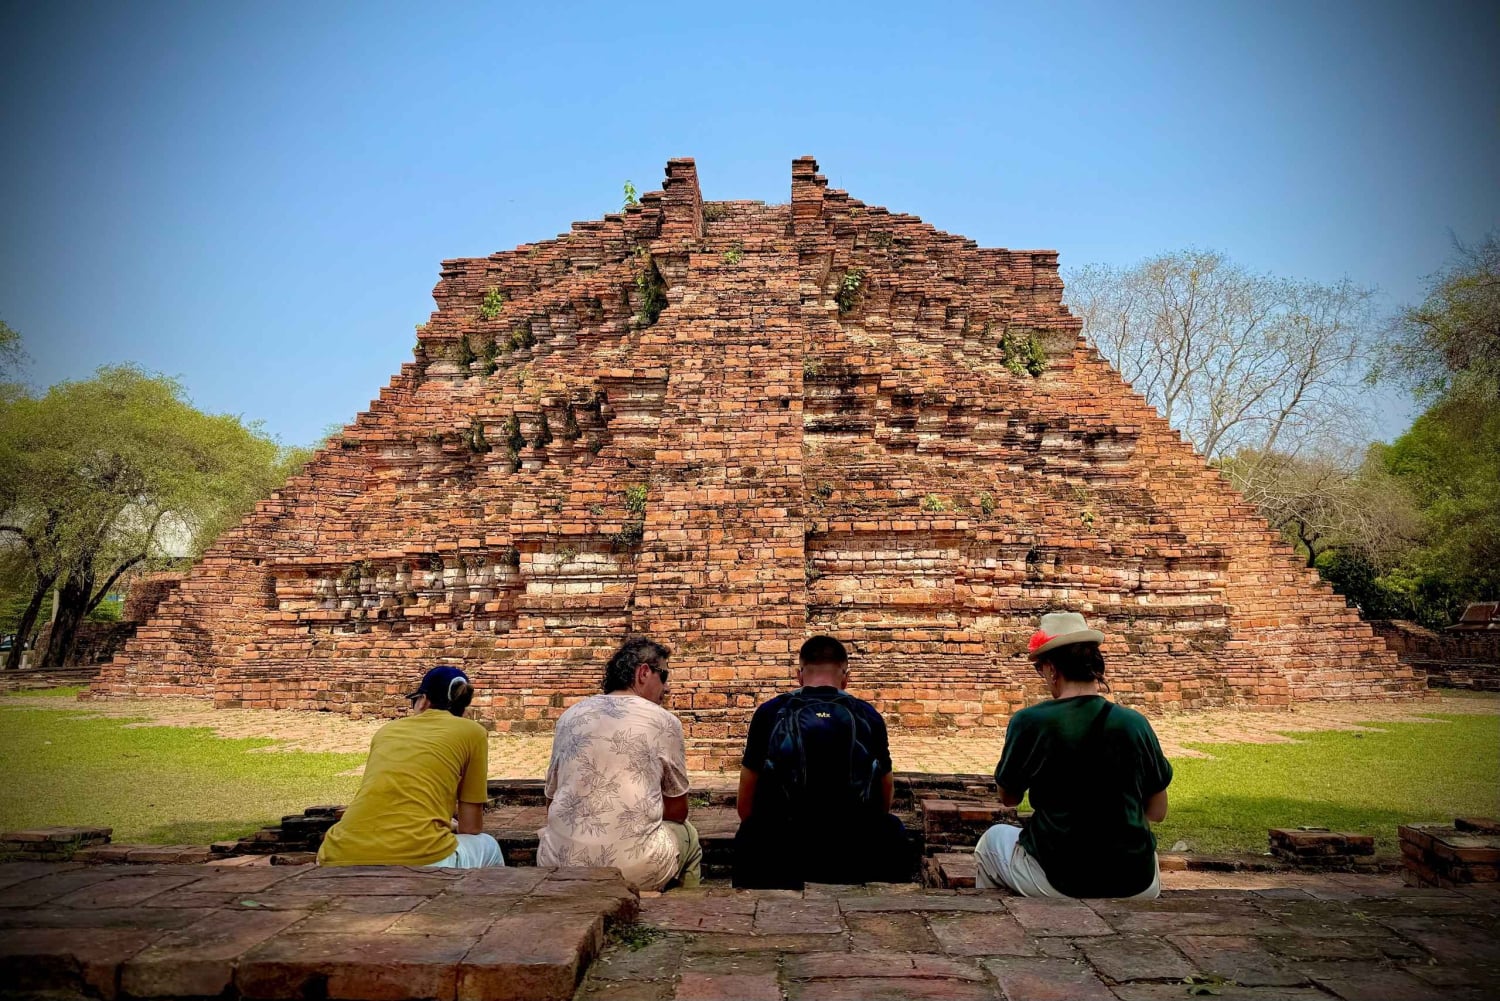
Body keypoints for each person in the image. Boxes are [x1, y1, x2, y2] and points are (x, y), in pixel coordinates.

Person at [973, 611, 1171, 898]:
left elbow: (1009, 798)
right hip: (1137, 882)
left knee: (991, 842)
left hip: (1061, 878)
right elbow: (1157, 811)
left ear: (1052, 669)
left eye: (1040, 669)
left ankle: (1005, 929)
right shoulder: (1134, 722)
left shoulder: (1031, 721)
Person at [733, 635, 912, 888]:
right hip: (854, 852)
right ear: (846, 677)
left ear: (799, 675)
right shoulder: (868, 716)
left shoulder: (769, 713)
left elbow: (745, 802)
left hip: (780, 851)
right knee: (890, 829)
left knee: (751, 832)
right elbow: (885, 797)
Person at [537, 636, 701, 890]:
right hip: (634, 871)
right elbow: (678, 812)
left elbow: (551, 803)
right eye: (664, 677)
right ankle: (685, 916)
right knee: (688, 834)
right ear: (644, 672)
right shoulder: (665, 722)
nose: (667, 689)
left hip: (560, 865)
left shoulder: (569, 716)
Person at [318, 666, 503, 868]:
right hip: (422, 856)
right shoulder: (472, 732)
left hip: (337, 851)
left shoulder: (387, 731)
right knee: (489, 845)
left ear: (423, 700)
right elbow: (471, 827)